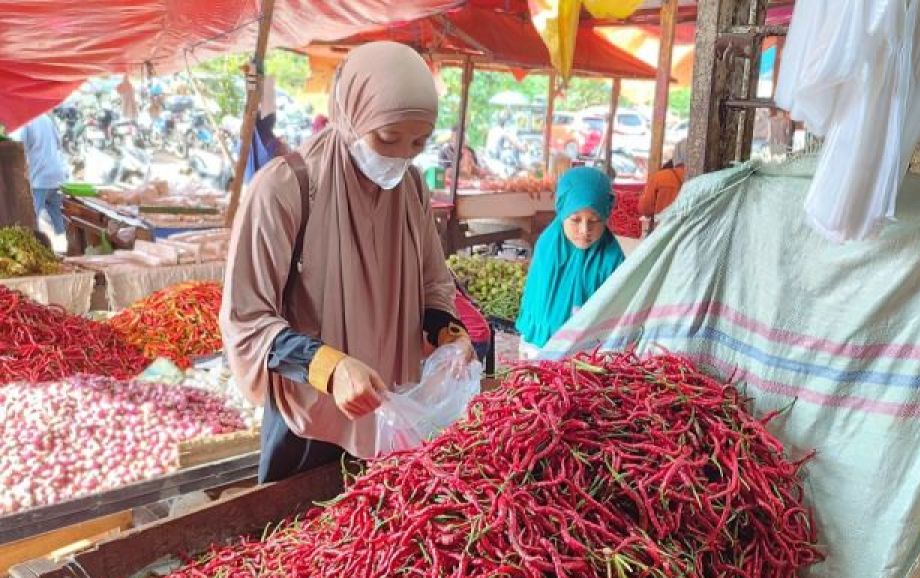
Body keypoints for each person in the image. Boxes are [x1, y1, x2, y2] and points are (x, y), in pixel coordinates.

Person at [220, 42, 476, 483]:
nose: (400, 156)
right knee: (297, 543)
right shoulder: (286, 188)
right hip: (310, 423)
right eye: (387, 138)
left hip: (393, 413)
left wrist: (449, 335)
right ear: (350, 114)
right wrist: (332, 368)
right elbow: (247, 319)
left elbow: (433, 283)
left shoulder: (411, 188)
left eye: (418, 142)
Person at [514, 167, 625, 358]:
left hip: (589, 353)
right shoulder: (549, 248)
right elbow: (539, 303)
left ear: (606, 216)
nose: (584, 229)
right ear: (562, 213)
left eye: (595, 220)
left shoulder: (612, 257)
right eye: (575, 220)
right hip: (541, 345)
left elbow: (618, 310)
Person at [13, 114, 67, 236]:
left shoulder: (26, 121)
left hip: (40, 178)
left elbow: (19, 148)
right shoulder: (47, 119)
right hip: (57, 176)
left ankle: (33, 248)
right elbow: (59, 144)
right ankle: (70, 247)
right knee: (59, 221)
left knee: (31, 219)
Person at [638, 138, 687, 227]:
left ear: (676, 154)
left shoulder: (659, 178)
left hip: (663, 232)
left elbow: (645, 209)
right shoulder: (703, 178)